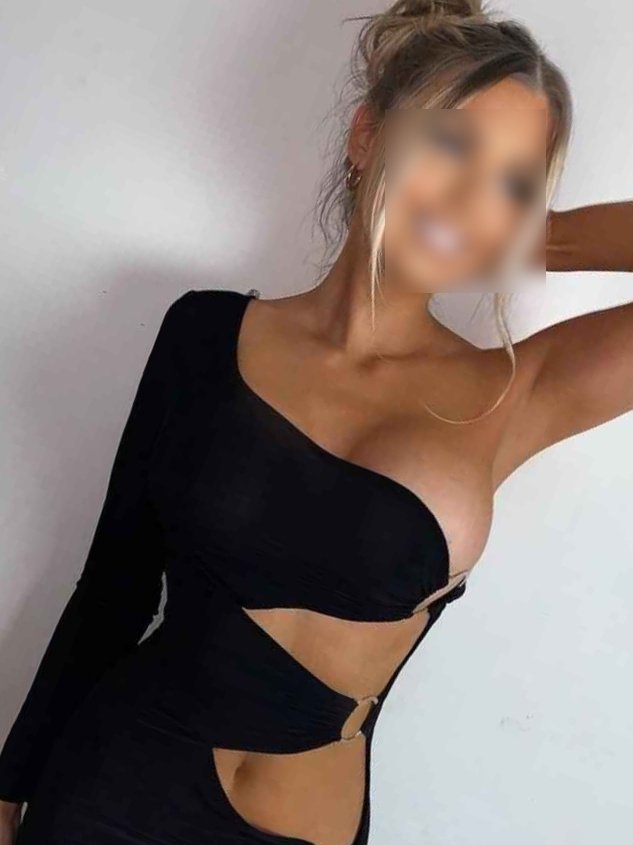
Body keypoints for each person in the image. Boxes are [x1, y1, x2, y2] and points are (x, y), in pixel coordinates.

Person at [1, 2, 631, 844]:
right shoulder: (205, 332)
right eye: (452, 144)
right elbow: (114, 584)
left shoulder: (515, 391)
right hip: (109, 793)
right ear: (365, 136)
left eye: (512, 180)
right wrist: (8, 789)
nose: (471, 194)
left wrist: (517, 234)